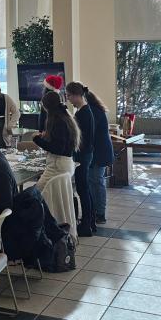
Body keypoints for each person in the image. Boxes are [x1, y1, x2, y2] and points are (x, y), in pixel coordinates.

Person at [33, 90, 80, 236]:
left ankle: (45, 228)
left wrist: (37, 139)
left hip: (57, 165)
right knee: (59, 198)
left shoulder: (57, 120)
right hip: (65, 164)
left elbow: (57, 148)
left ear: (46, 107)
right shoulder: (65, 117)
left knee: (36, 194)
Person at [65, 82, 96, 237]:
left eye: (69, 95)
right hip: (85, 154)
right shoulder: (84, 110)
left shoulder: (83, 113)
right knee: (85, 188)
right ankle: (90, 221)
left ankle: (87, 225)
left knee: (83, 189)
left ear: (77, 95)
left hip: (83, 155)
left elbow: (81, 138)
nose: (68, 99)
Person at [85, 88, 113, 224]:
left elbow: (88, 134)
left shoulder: (92, 111)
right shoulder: (94, 109)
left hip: (99, 153)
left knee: (96, 181)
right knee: (93, 181)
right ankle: (96, 211)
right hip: (99, 152)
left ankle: (100, 213)